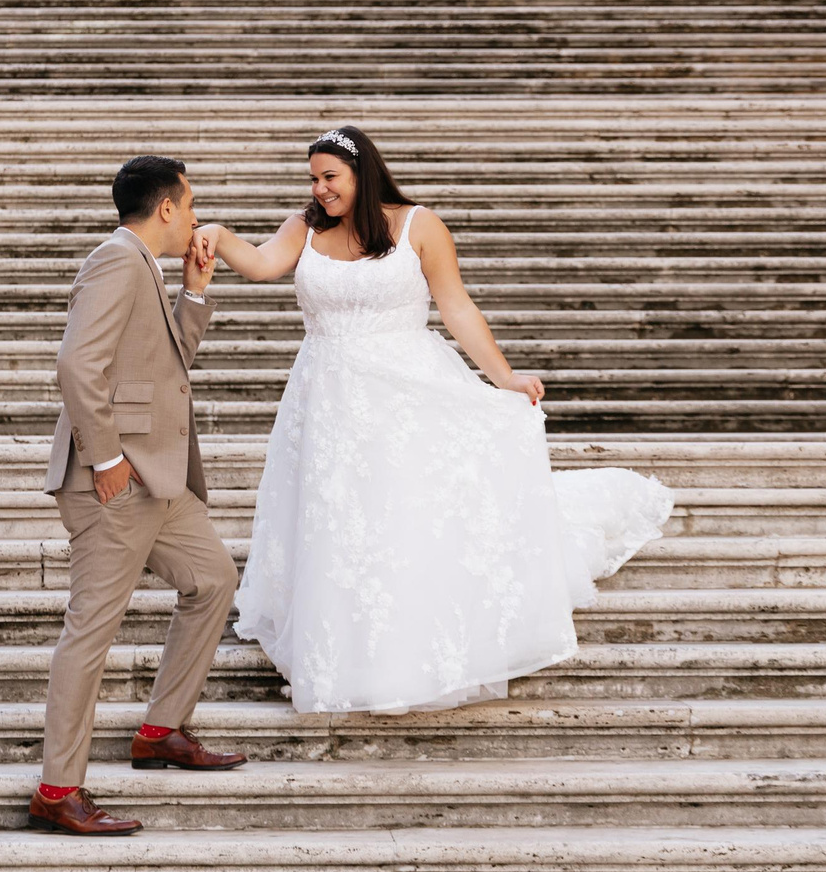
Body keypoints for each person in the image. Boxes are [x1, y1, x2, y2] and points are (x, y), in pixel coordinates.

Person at [197, 126, 672, 715]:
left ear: (361, 174)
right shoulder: (307, 227)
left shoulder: (420, 226)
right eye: (313, 178)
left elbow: (456, 306)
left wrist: (505, 378)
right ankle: (342, 649)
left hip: (404, 390)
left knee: (402, 512)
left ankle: (407, 649)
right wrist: (217, 236)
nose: (320, 189)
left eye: (330, 177)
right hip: (324, 397)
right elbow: (263, 265)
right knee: (338, 515)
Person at [30, 155, 247, 837]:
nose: (192, 216)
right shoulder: (116, 260)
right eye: (189, 204)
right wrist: (107, 457)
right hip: (116, 481)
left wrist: (195, 293)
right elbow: (76, 362)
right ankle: (58, 789)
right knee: (92, 628)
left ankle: (160, 731)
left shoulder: (145, 266)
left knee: (212, 578)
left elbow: (166, 366)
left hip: (160, 478)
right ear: (165, 209)